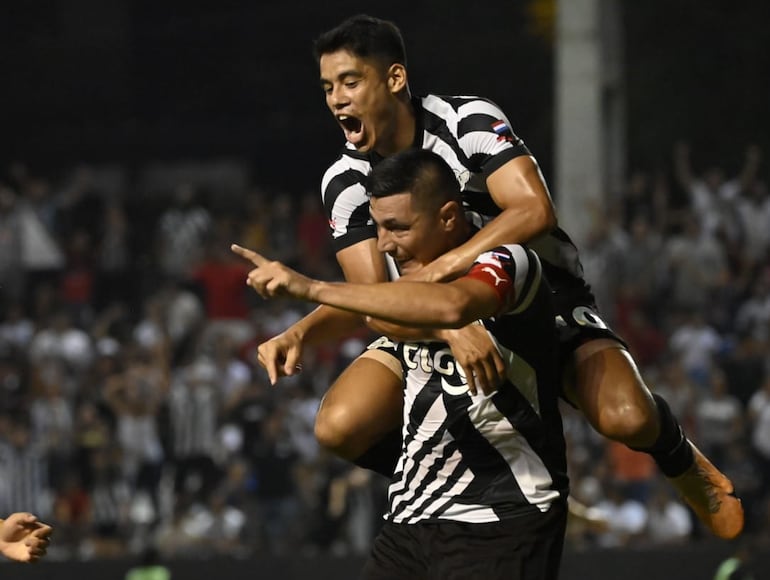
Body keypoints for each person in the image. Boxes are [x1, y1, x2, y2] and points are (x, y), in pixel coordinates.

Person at [255, 14, 743, 540]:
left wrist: (447, 268)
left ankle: (679, 457)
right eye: (328, 87)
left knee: (627, 417)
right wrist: (446, 324)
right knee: (337, 426)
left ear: (394, 79)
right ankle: (498, 478)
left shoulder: (466, 120)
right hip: (436, 319)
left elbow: (534, 210)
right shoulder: (345, 181)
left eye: (350, 82)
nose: (337, 99)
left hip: (539, 298)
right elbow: (376, 304)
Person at [234, 148, 568, 579]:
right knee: (336, 423)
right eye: (378, 228)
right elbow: (380, 310)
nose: (385, 243)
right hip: (410, 521)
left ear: (448, 218)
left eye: (398, 227)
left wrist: (310, 287)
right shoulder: (398, 284)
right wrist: (300, 331)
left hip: (502, 516)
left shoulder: (509, 260)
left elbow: (452, 306)